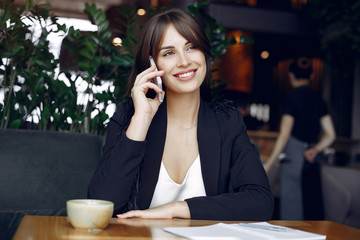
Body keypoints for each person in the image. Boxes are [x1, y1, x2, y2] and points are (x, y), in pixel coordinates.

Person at [87, 8, 273, 221]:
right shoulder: (130, 118)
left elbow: (261, 202)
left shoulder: (227, 122)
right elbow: (102, 204)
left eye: (191, 47)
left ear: (205, 54)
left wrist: (176, 209)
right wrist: (141, 120)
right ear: (151, 66)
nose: (184, 61)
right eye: (169, 53)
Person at [263, 57, 336, 220]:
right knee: (312, 208)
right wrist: (315, 150)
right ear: (311, 77)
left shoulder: (292, 98)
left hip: (294, 161)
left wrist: (270, 162)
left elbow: (285, 134)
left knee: (292, 211)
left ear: (290, 76)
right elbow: (331, 135)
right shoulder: (319, 100)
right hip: (312, 160)